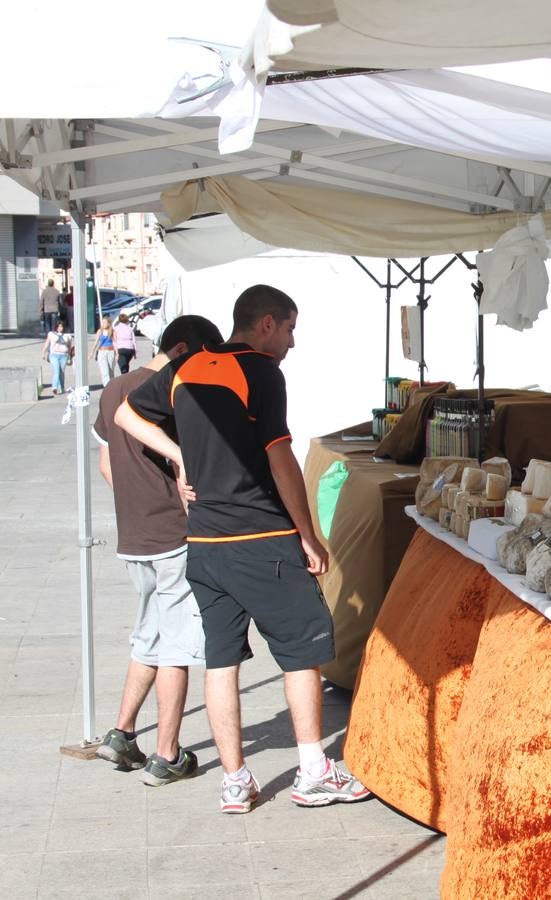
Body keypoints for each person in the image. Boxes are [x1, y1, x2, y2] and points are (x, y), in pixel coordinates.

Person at [116, 285, 370, 814]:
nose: (293, 343)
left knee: (221, 662)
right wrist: (307, 534)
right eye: (291, 329)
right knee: (302, 654)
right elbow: (281, 458)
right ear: (267, 323)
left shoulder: (187, 367)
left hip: (204, 544)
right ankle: (313, 771)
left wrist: (179, 455)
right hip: (261, 539)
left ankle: (235, 781)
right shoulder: (260, 371)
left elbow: (124, 414)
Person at [92, 315, 225, 786]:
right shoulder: (173, 391)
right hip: (173, 533)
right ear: (185, 348)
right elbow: (194, 471)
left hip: (134, 533)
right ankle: (167, 754)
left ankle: (122, 734)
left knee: (148, 633)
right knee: (177, 647)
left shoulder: (113, 389)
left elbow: (107, 465)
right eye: (205, 356)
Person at [42, 320, 75, 395]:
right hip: (54, 355)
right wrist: (43, 353)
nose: (60, 328)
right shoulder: (51, 334)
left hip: (64, 355)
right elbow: (47, 343)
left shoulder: (68, 336)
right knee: (56, 370)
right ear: (56, 327)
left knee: (61, 372)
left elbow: (69, 346)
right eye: (59, 326)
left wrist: (70, 356)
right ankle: (54, 387)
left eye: (62, 326)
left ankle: (62, 387)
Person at [91, 316, 117, 386]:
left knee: (111, 370)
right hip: (102, 351)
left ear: (109, 323)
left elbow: (115, 342)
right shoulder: (100, 331)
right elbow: (96, 342)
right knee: (104, 370)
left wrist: (117, 353)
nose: (103, 324)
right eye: (102, 322)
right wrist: (91, 353)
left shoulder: (112, 331)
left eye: (105, 322)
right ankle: (106, 386)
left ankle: (112, 385)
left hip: (110, 351)